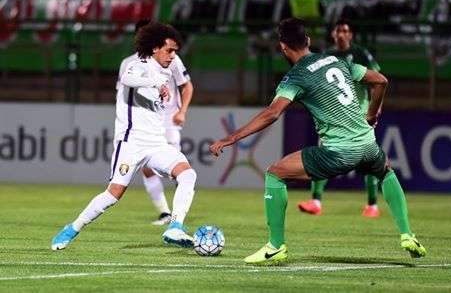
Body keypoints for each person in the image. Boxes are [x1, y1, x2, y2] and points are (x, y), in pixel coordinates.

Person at [210, 18, 426, 265]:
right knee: (386, 171)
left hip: (338, 153)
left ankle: (275, 246)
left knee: (275, 174)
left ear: (283, 47)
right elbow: (381, 80)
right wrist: (372, 114)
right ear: (309, 41)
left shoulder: (296, 76)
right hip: (368, 145)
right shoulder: (338, 60)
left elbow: (272, 113)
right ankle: (408, 234)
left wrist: (232, 138)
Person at [52, 22, 197, 250]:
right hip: (131, 142)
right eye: (169, 50)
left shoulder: (168, 69)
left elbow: (182, 85)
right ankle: (72, 228)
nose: (173, 55)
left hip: (156, 143)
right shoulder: (135, 65)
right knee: (113, 194)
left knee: (188, 174)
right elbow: (129, 79)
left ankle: (175, 226)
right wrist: (155, 83)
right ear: (154, 49)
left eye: (175, 51)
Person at [298, 19, 382, 218]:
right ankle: (316, 201)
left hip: (360, 114)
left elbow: (377, 80)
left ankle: (372, 205)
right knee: (324, 154)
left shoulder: (360, 54)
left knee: (369, 158)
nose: (342, 34)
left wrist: (375, 109)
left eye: (345, 30)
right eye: (338, 31)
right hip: (335, 115)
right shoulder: (327, 55)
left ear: (350, 35)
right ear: (334, 35)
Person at [119, 20, 194, 226]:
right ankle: (165, 212)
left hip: (168, 121)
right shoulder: (128, 64)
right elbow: (123, 95)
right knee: (147, 167)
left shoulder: (171, 57)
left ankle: (178, 216)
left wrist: (182, 111)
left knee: (178, 170)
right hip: (143, 125)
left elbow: (187, 86)